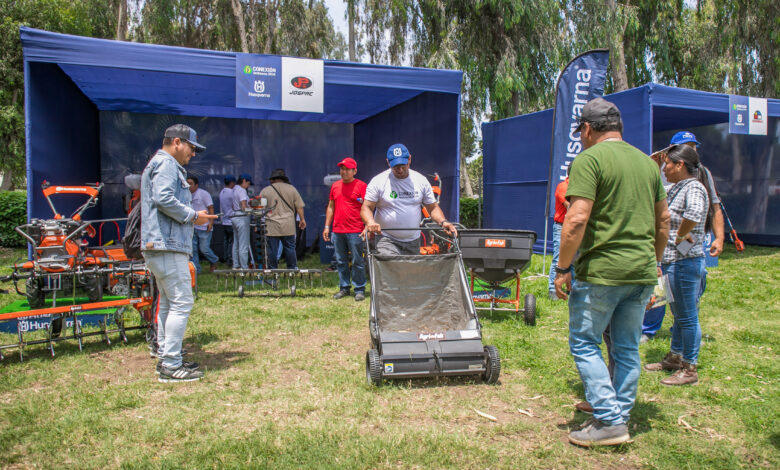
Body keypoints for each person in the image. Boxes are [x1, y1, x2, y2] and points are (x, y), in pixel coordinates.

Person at [553, 98, 670, 446]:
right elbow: (663, 221)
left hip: (602, 272)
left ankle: (607, 420)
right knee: (627, 347)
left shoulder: (589, 159)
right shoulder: (648, 163)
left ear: (587, 129)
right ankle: (618, 414)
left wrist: (562, 268)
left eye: (581, 132)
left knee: (585, 343)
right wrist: (655, 263)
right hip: (641, 271)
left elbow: (576, 219)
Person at [141, 124, 218, 382]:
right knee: (182, 302)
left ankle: (166, 355)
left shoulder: (159, 163)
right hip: (167, 245)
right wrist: (193, 216)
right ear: (177, 142)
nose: (193, 154)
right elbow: (163, 198)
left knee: (170, 303)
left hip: (161, 245)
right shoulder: (167, 165)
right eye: (191, 147)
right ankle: (171, 365)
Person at [641, 130, 725, 342]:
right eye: (685, 146)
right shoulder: (662, 170)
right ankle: (650, 329)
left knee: (688, 296)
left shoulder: (701, 176)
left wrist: (718, 237)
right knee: (659, 287)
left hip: (688, 247)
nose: (691, 150)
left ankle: (683, 343)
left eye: (693, 146)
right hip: (665, 244)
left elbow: (712, 208)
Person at [644, 144, 713, 386]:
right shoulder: (677, 187)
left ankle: (689, 368)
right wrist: (652, 164)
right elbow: (653, 191)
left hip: (685, 262)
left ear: (680, 165)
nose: (664, 169)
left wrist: (680, 236)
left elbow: (693, 213)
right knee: (678, 315)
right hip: (673, 262)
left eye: (667, 165)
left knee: (688, 317)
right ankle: (674, 357)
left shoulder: (693, 187)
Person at [361, 143, 457, 255]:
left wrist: (443, 222)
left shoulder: (420, 180)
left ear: (409, 159)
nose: (400, 170)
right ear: (388, 162)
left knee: (410, 272)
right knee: (391, 268)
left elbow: (433, 208)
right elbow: (366, 207)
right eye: (396, 167)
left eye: (403, 165)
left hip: (413, 240)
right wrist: (370, 221)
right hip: (387, 239)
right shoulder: (378, 181)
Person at [323, 157, 368, 301]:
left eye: (347, 169)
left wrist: (367, 226)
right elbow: (331, 207)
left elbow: (368, 208)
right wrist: (327, 226)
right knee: (341, 261)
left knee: (357, 261)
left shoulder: (362, 186)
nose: (343, 172)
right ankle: (344, 288)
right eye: (342, 169)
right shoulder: (335, 186)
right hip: (337, 230)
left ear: (355, 171)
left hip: (356, 230)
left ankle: (359, 289)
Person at [259, 169, 306, 269]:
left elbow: (260, 208)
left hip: (271, 224)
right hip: (288, 224)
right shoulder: (292, 189)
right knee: (290, 248)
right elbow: (299, 206)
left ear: (272, 180)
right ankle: (292, 268)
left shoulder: (265, 190)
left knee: (272, 249)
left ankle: (272, 269)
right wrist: (302, 219)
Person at [187, 175, 219, 274]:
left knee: (204, 248)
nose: (188, 186)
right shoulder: (185, 194)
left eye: (191, 184)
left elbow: (211, 208)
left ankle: (214, 260)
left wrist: (211, 222)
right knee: (193, 250)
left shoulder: (203, 194)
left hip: (204, 226)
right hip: (192, 226)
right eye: (187, 183)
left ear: (196, 185)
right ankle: (196, 270)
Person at [548, 166, 571, 300]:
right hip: (561, 226)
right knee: (558, 257)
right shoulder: (563, 187)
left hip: (573, 227)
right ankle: (553, 290)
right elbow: (570, 207)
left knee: (574, 259)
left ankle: (570, 290)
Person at [230, 173, 252, 270]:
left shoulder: (234, 189)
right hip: (242, 217)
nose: (249, 185)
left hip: (234, 216)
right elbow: (243, 206)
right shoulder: (242, 190)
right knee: (243, 243)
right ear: (244, 181)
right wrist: (253, 210)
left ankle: (236, 265)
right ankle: (244, 267)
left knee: (236, 243)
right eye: (248, 183)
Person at [219, 176, 236, 266]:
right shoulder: (232, 193)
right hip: (231, 220)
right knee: (232, 242)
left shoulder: (222, 192)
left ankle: (226, 258)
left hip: (224, 220)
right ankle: (230, 260)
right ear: (232, 182)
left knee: (226, 241)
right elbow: (235, 205)